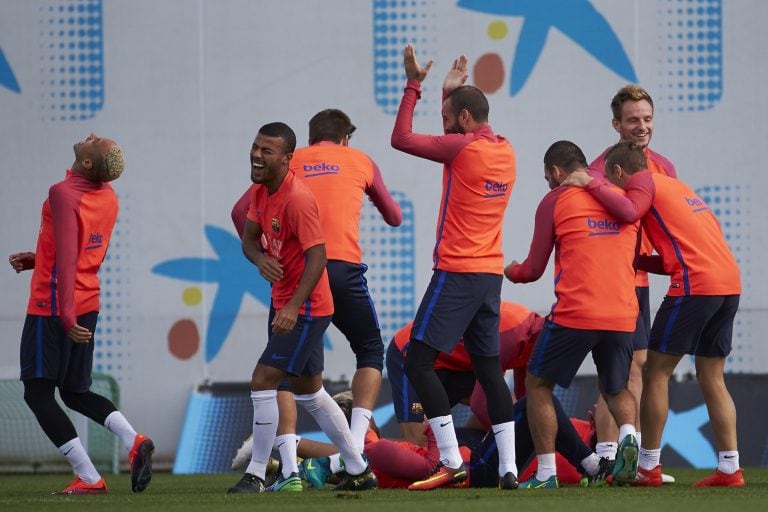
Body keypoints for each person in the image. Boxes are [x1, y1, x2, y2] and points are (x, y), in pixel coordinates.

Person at [231, 108, 402, 485]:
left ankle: (262, 473)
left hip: (309, 289)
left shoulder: (297, 193)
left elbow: (316, 255)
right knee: (332, 374)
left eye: (266, 150)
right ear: (345, 139)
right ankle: (354, 461)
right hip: (322, 278)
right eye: (255, 147)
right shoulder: (274, 185)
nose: (258, 155)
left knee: (267, 379)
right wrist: (264, 258)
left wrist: (290, 298)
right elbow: (394, 216)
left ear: (298, 149)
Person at [563, 141, 744, 488]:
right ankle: (730, 469)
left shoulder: (644, 181)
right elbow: (686, 247)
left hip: (696, 285)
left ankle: (648, 467)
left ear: (617, 173)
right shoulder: (679, 187)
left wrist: (589, 182)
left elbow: (629, 211)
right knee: (712, 376)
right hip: (727, 283)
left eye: (612, 183)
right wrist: (639, 260)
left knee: (655, 372)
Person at [391, 44, 518, 490]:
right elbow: (455, 136)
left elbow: (401, 139)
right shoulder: (505, 150)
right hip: (489, 277)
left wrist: (415, 86)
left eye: (448, 120)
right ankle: (507, 469)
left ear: (464, 121)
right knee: (488, 372)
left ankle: (450, 460)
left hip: (457, 271)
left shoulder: (463, 151)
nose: (443, 129)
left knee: (417, 360)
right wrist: (452, 94)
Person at [9, 134, 154, 495]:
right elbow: (87, 255)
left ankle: (89, 476)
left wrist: (65, 317)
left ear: (88, 164)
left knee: (37, 393)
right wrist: (38, 261)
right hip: (87, 300)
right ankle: (134, 440)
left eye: (96, 142)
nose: (90, 137)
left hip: (54, 306)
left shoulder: (62, 192)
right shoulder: (107, 195)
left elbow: (69, 261)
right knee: (75, 391)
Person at [505, 140, 640, 489]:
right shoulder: (621, 198)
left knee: (537, 385)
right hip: (623, 313)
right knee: (616, 388)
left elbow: (533, 269)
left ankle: (547, 472)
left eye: (548, 176)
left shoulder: (555, 199)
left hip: (576, 312)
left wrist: (511, 270)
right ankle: (630, 439)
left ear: (554, 171)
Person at [588, 85, 677, 472]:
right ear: (616, 124)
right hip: (610, 280)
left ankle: (634, 459)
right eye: (632, 120)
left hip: (640, 280)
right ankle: (609, 454)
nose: (641, 126)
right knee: (618, 366)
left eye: (646, 119)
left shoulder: (664, 167)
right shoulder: (600, 169)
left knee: (637, 364)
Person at [387, 301, 540, 446]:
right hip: (410, 356)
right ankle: (372, 455)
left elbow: (525, 401)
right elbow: (481, 406)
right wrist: (515, 443)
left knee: (504, 408)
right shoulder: (514, 333)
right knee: (417, 437)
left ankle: (469, 449)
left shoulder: (534, 340)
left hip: (455, 365)